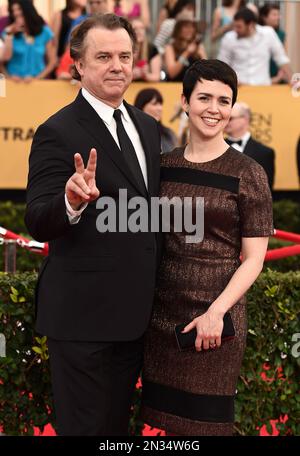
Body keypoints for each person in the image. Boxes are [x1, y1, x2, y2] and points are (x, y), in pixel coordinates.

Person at [25, 13, 161, 436]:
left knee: (117, 431)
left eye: (124, 55)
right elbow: (37, 220)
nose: (117, 65)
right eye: (103, 56)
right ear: (78, 65)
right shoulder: (57, 131)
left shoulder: (147, 126)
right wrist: (69, 201)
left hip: (137, 319)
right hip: (83, 320)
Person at [141, 59, 273, 435]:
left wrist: (216, 312)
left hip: (217, 319)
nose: (214, 109)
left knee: (207, 426)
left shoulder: (248, 173)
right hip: (161, 320)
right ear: (184, 101)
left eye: (224, 100)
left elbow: (254, 259)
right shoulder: (161, 167)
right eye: (204, 98)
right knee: (160, 425)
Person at [218, 7, 292, 85]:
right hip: (239, 87)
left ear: (250, 25)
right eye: (235, 26)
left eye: (239, 27)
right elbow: (222, 65)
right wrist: (230, 80)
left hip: (263, 87)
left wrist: (291, 79)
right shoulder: (229, 38)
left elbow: (281, 59)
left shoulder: (268, 33)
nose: (236, 30)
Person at [1, 0, 56, 81]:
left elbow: (52, 62)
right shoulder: (8, 33)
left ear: (28, 10)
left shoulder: (45, 32)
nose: (16, 13)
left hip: (38, 83)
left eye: (19, 9)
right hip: (14, 83)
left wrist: (37, 79)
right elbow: (1, 62)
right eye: (13, 10)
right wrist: (9, 78)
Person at [225, 102, 275, 189]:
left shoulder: (265, 153)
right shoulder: (213, 149)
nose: (225, 122)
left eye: (230, 118)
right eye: (224, 118)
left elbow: (266, 191)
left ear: (245, 119)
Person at [134, 87, 178, 153]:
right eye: (154, 104)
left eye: (160, 104)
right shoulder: (131, 132)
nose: (160, 108)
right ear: (142, 106)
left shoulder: (168, 134)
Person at [258, 2, 286, 84]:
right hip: (260, 75)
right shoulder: (257, 34)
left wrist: (280, 75)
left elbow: (283, 56)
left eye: (278, 14)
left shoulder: (281, 34)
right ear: (264, 17)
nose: (278, 17)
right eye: (274, 14)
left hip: (276, 74)